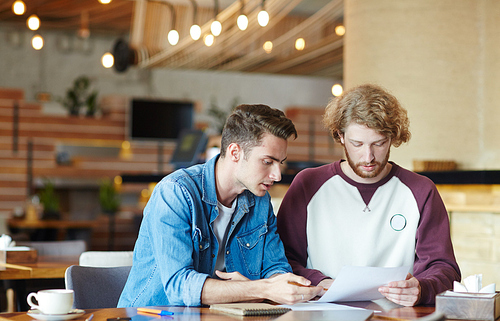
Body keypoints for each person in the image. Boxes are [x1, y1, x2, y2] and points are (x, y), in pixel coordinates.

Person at [118, 104, 323, 307]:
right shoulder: (174, 193)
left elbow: (275, 268)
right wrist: (261, 289)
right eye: (268, 162)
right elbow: (180, 287)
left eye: (281, 163)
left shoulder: (259, 201)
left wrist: (294, 286)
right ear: (235, 152)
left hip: (218, 320)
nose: (277, 175)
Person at [277, 84, 461, 307]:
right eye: (357, 144)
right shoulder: (308, 185)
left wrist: (422, 289)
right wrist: (322, 282)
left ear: (392, 138)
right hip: (322, 313)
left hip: (396, 320)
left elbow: (445, 269)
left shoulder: (421, 190)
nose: (368, 156)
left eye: (379, 143)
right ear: (340, 136)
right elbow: (282, 260)